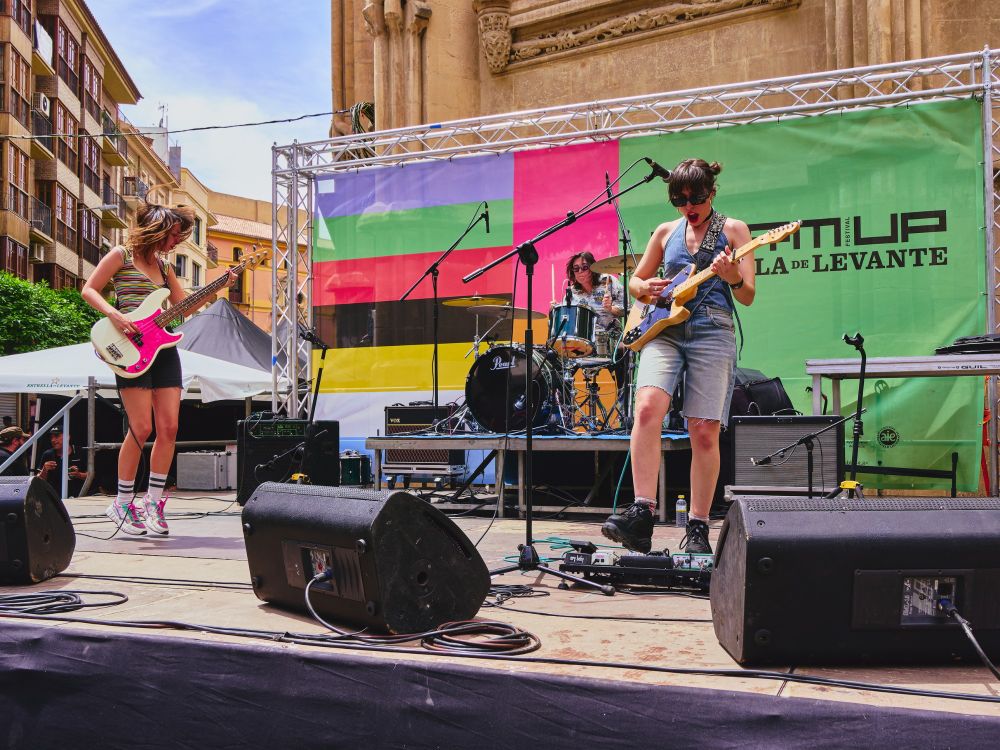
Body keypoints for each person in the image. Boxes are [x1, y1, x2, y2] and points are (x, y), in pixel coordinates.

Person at [602, 158, 755, 555]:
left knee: (703, 429)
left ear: (712, 191)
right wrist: (642, 289)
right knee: (648, 408)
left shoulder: (734, 230)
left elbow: (748, 294)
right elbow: (636, 279)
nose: (690, 206)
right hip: (664, 330)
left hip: (712, 329)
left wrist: (731, 275)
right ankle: (641, 512)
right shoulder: (666, 231)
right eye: (680, 199)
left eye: (697, 198)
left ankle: (699, 526)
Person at [82, 199, 236, 536]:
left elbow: (183, 308)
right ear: (158, 228)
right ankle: (122, 503)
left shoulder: (165, 268)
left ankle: (153, 501)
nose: (176, 243)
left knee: (168, 428)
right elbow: (89, 289)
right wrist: (116, 315)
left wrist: (217, 288)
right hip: (127, 349)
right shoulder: (120, 255)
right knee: (140, 428)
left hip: (163, 351)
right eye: (174, 236)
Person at [36, 426, 88, 498]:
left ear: (68, 437)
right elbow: (38, 481)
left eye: (57, 436)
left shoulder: (80, 452)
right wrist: (44, 470)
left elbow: (91, 475)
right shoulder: (48, 454)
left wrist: (78, 474)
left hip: (78, 500)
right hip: (54, 500)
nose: (53, 440)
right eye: (51, 437)